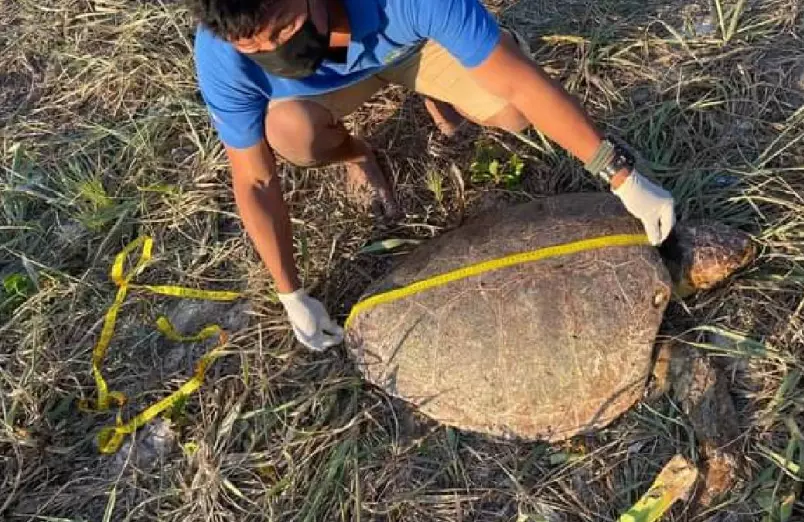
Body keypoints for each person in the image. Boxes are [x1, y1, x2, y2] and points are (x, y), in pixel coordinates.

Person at [188, 0, 676, 351]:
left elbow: (521, 86)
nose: (279, 49)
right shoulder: (222, 55)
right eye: (258, 48)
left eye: (286, 26)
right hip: (323, 92)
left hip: (413, 45)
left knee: (508, 105)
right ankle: (359, 154)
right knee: (290, 133)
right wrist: (288, 291)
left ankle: (452, 75)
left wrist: (620, 176)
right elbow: (254, 180)